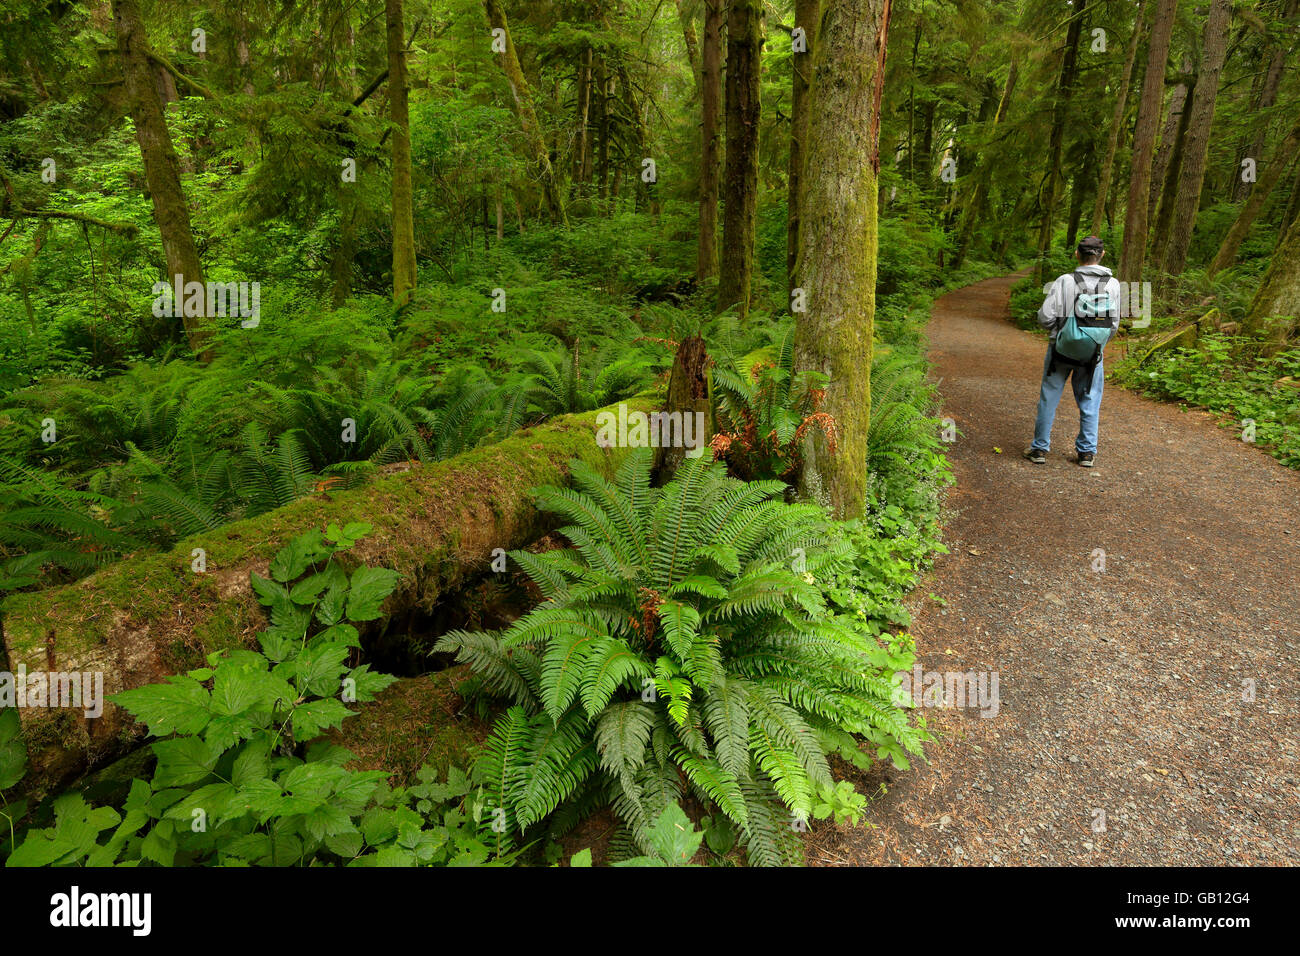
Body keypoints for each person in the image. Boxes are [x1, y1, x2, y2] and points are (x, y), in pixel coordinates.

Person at [1024, 236, 1121, 468]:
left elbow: (1045, 317)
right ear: (1103, 254)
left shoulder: (1065, 281)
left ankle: (1039, 449)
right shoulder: (1113, 284)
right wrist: (1094, 341)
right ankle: (1086, 453)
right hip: (1092, 353)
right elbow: (1113, 325)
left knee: (1049, 396)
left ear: (1077, 254)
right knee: (1090, 398)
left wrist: (1060, 331)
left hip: (1060, 350)